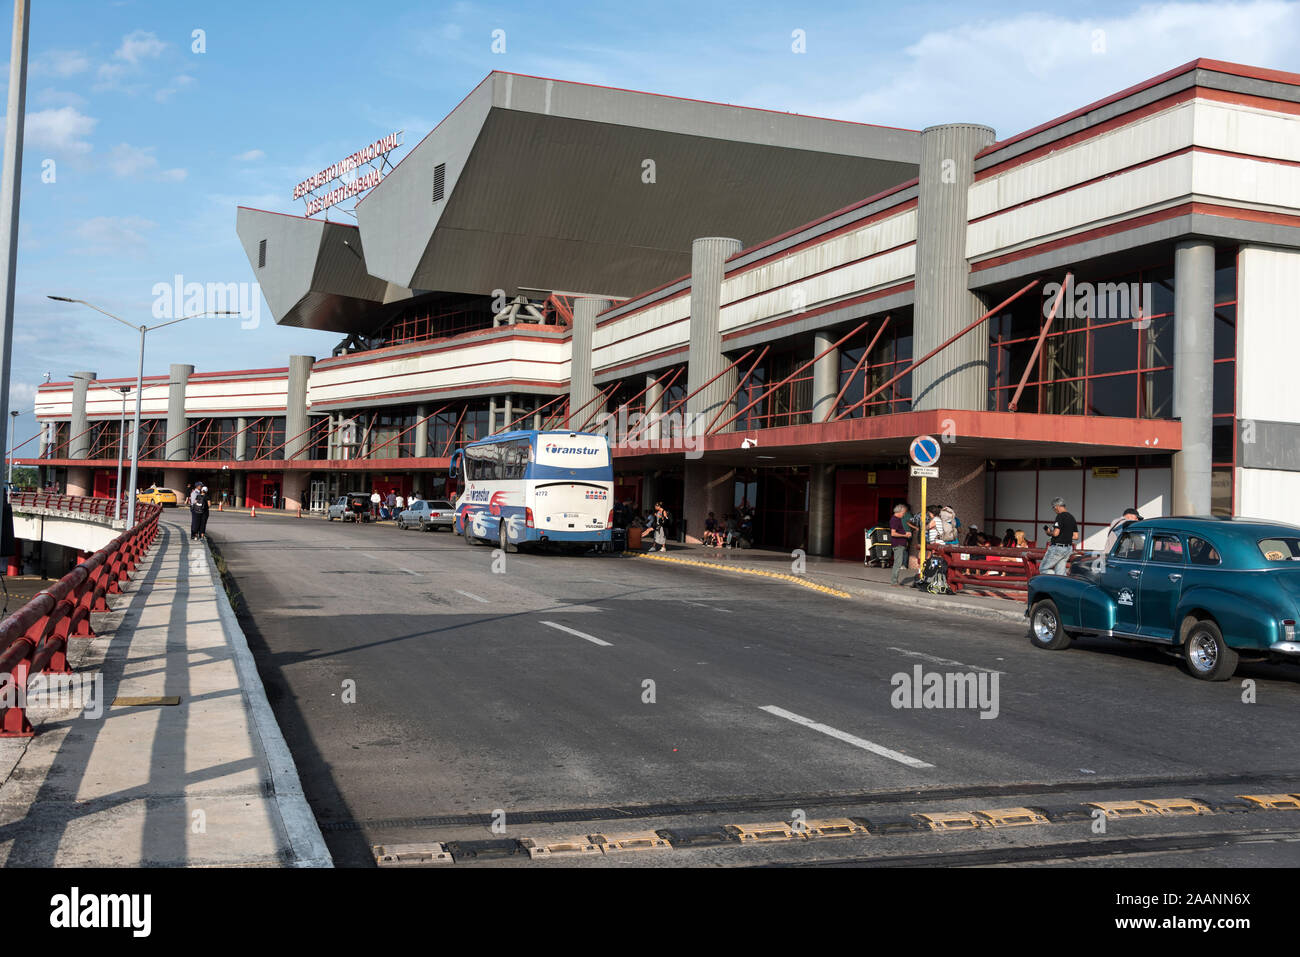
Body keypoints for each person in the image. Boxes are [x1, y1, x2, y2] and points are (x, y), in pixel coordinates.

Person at [1040, 497, 1079, 575]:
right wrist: (1065, 535)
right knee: (1060, 573)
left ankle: (1055, 580)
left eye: (1053, 508)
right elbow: (1075, 536)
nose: (1054, 510)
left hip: (1058, 547)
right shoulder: (1072, 518)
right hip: (1068, 548)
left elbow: (1055, 533)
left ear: (1057, 506)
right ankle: (1063, 584)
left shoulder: (1060, 516)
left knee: (1043, 569)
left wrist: (1049, 532)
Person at [889, 503, 911, 586]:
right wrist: (905, 535)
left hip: (900, 544)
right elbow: (893, 533)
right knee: (897, 563)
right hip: (898, 544)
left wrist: (906, 533)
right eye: (903, 513)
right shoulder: (895, 520)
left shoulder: (897, 519)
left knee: (898, 563)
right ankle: (894, 582)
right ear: (899, 511)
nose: (904, 514)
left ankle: (895, 581)